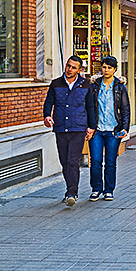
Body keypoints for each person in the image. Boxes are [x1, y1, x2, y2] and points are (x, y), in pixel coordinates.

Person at [43, 56, 97, 207]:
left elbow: (90, 106)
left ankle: (72, 193)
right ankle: (69, 190)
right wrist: (47, 116)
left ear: (79, 70)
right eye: (68, 66)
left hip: (78, 128)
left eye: (73, 67)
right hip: (60, 127)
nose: (69, 69)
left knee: (73, 161)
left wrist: (91, 127)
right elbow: (49, 102)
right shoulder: (56, 84)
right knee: (64, 161)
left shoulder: (86, 84)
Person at [88, 56, 130, 202]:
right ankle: (96, 189)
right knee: (96, 160)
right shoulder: (94, 86)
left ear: (115, 69)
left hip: (113, 130)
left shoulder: (120, 87)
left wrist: (125, 128)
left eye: (109, 68)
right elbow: (90, 107)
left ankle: (109, 190)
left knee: (111, 161)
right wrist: (89, 126)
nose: (106, 70)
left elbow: (125, 109)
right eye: (104, 67)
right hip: (97, 130)